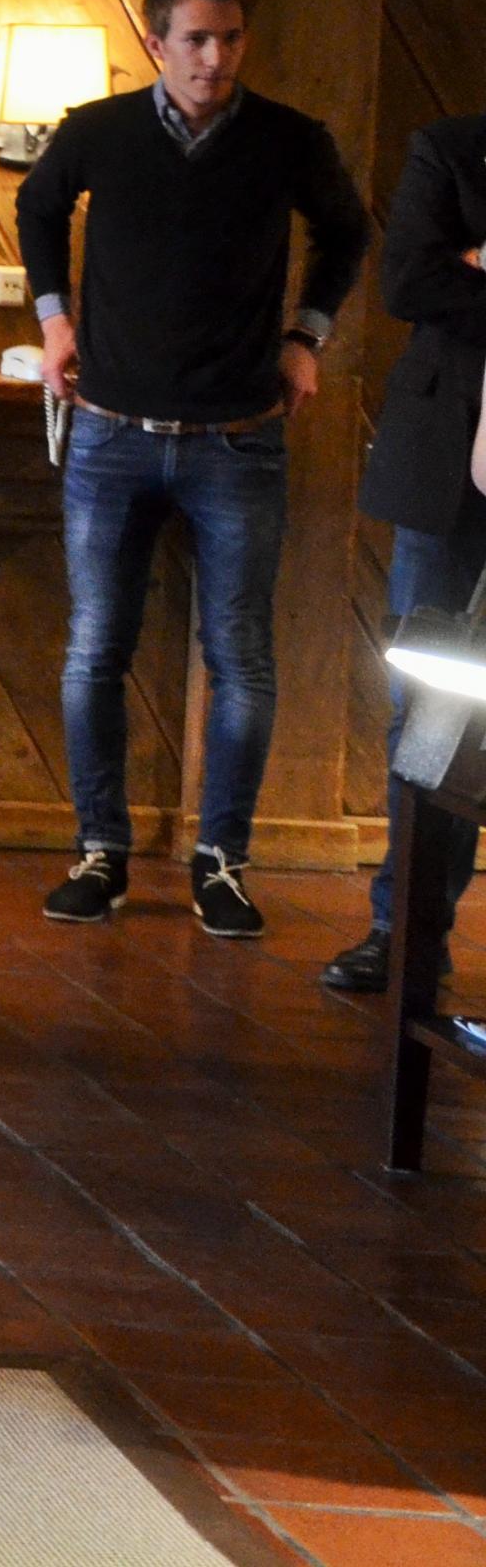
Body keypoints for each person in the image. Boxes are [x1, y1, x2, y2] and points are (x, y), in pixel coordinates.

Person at [19, 0, 370, 940]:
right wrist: (53, 319)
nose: (214, 57)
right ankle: (100, 852)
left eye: (230, 38)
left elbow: (347, 232)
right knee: (95, 648)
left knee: (241, 656)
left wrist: (306, 337)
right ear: (156, 44)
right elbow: (39, 207)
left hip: (236, 438)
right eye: (196, 39)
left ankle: (222, 860)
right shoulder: (98, 129)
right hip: (110, 432)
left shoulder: (289, 139)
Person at [330, 105, 486, 995]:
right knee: (429, 705)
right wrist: (459, 267)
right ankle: (406, 932)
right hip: (448, 476)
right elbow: (411, 282)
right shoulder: (453, 148)